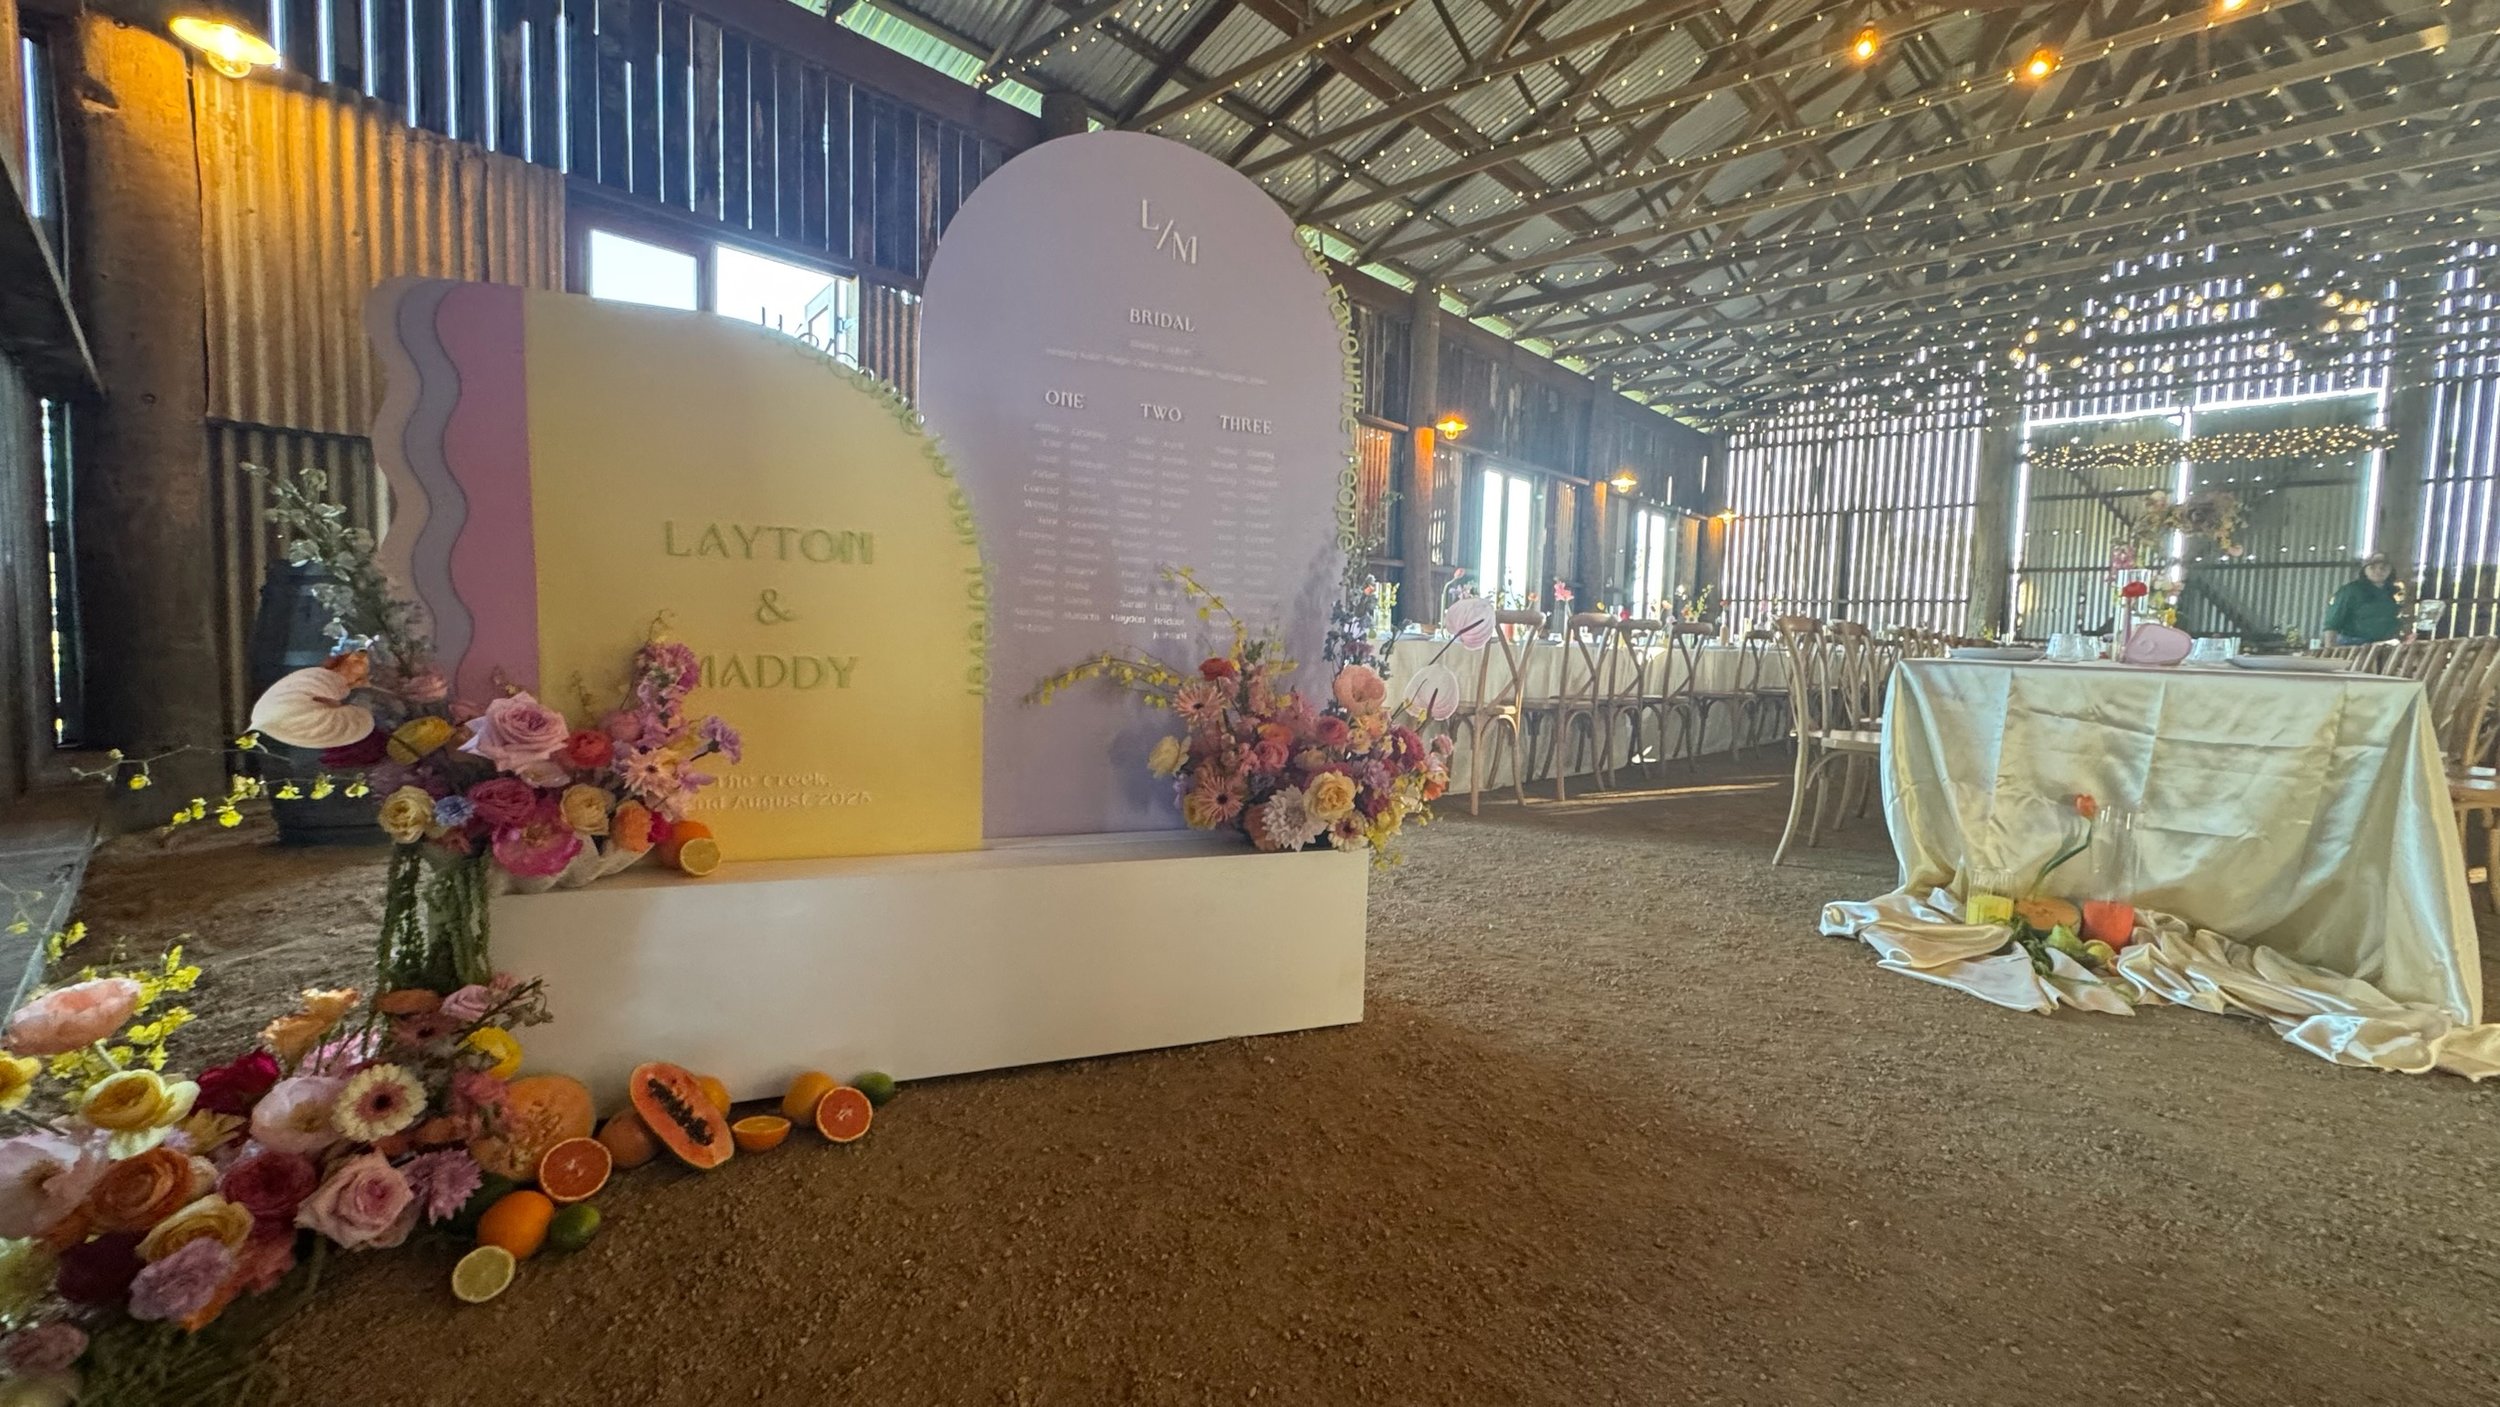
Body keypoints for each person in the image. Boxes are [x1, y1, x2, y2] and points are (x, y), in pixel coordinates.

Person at [2322, 553, 2402, 647]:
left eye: (2383, 567)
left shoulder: (2391, 594)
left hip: (2382, 645)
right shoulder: (2350, 591)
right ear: (2364, 569)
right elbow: (2332, 623)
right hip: (2352, 646)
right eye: (2372, 567)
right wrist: (2329, 649)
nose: (2379, 570)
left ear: (2391, 570)